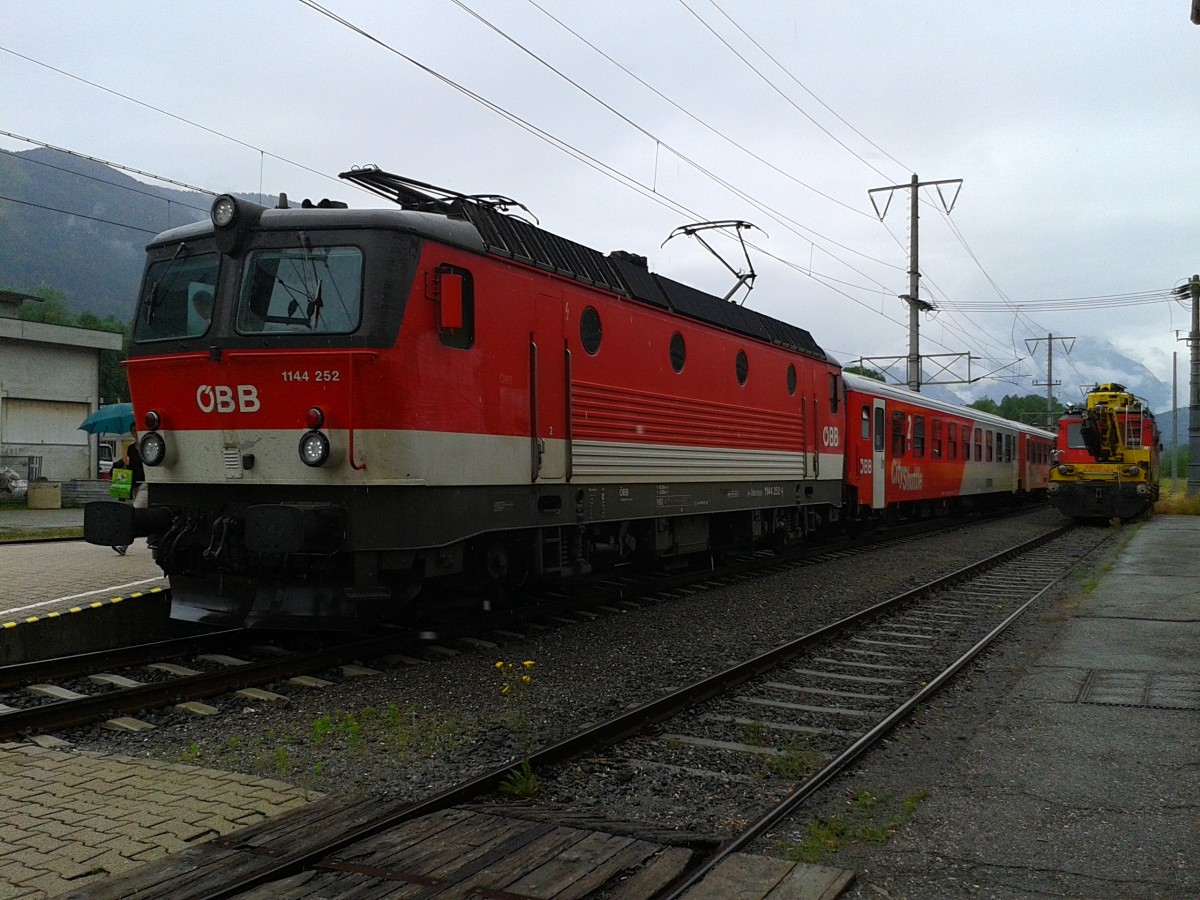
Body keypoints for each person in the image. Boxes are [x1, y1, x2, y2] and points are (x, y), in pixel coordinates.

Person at [112, 427, 147, 555]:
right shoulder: (131, 449)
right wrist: (123, 464)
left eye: (137, 430)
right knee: (143, 515)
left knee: (134, 513)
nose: (135, 433)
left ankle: (123, 544)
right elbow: (127, 466)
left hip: (146, 485)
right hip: (135, 486)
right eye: (132, 431)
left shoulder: (150, 444)